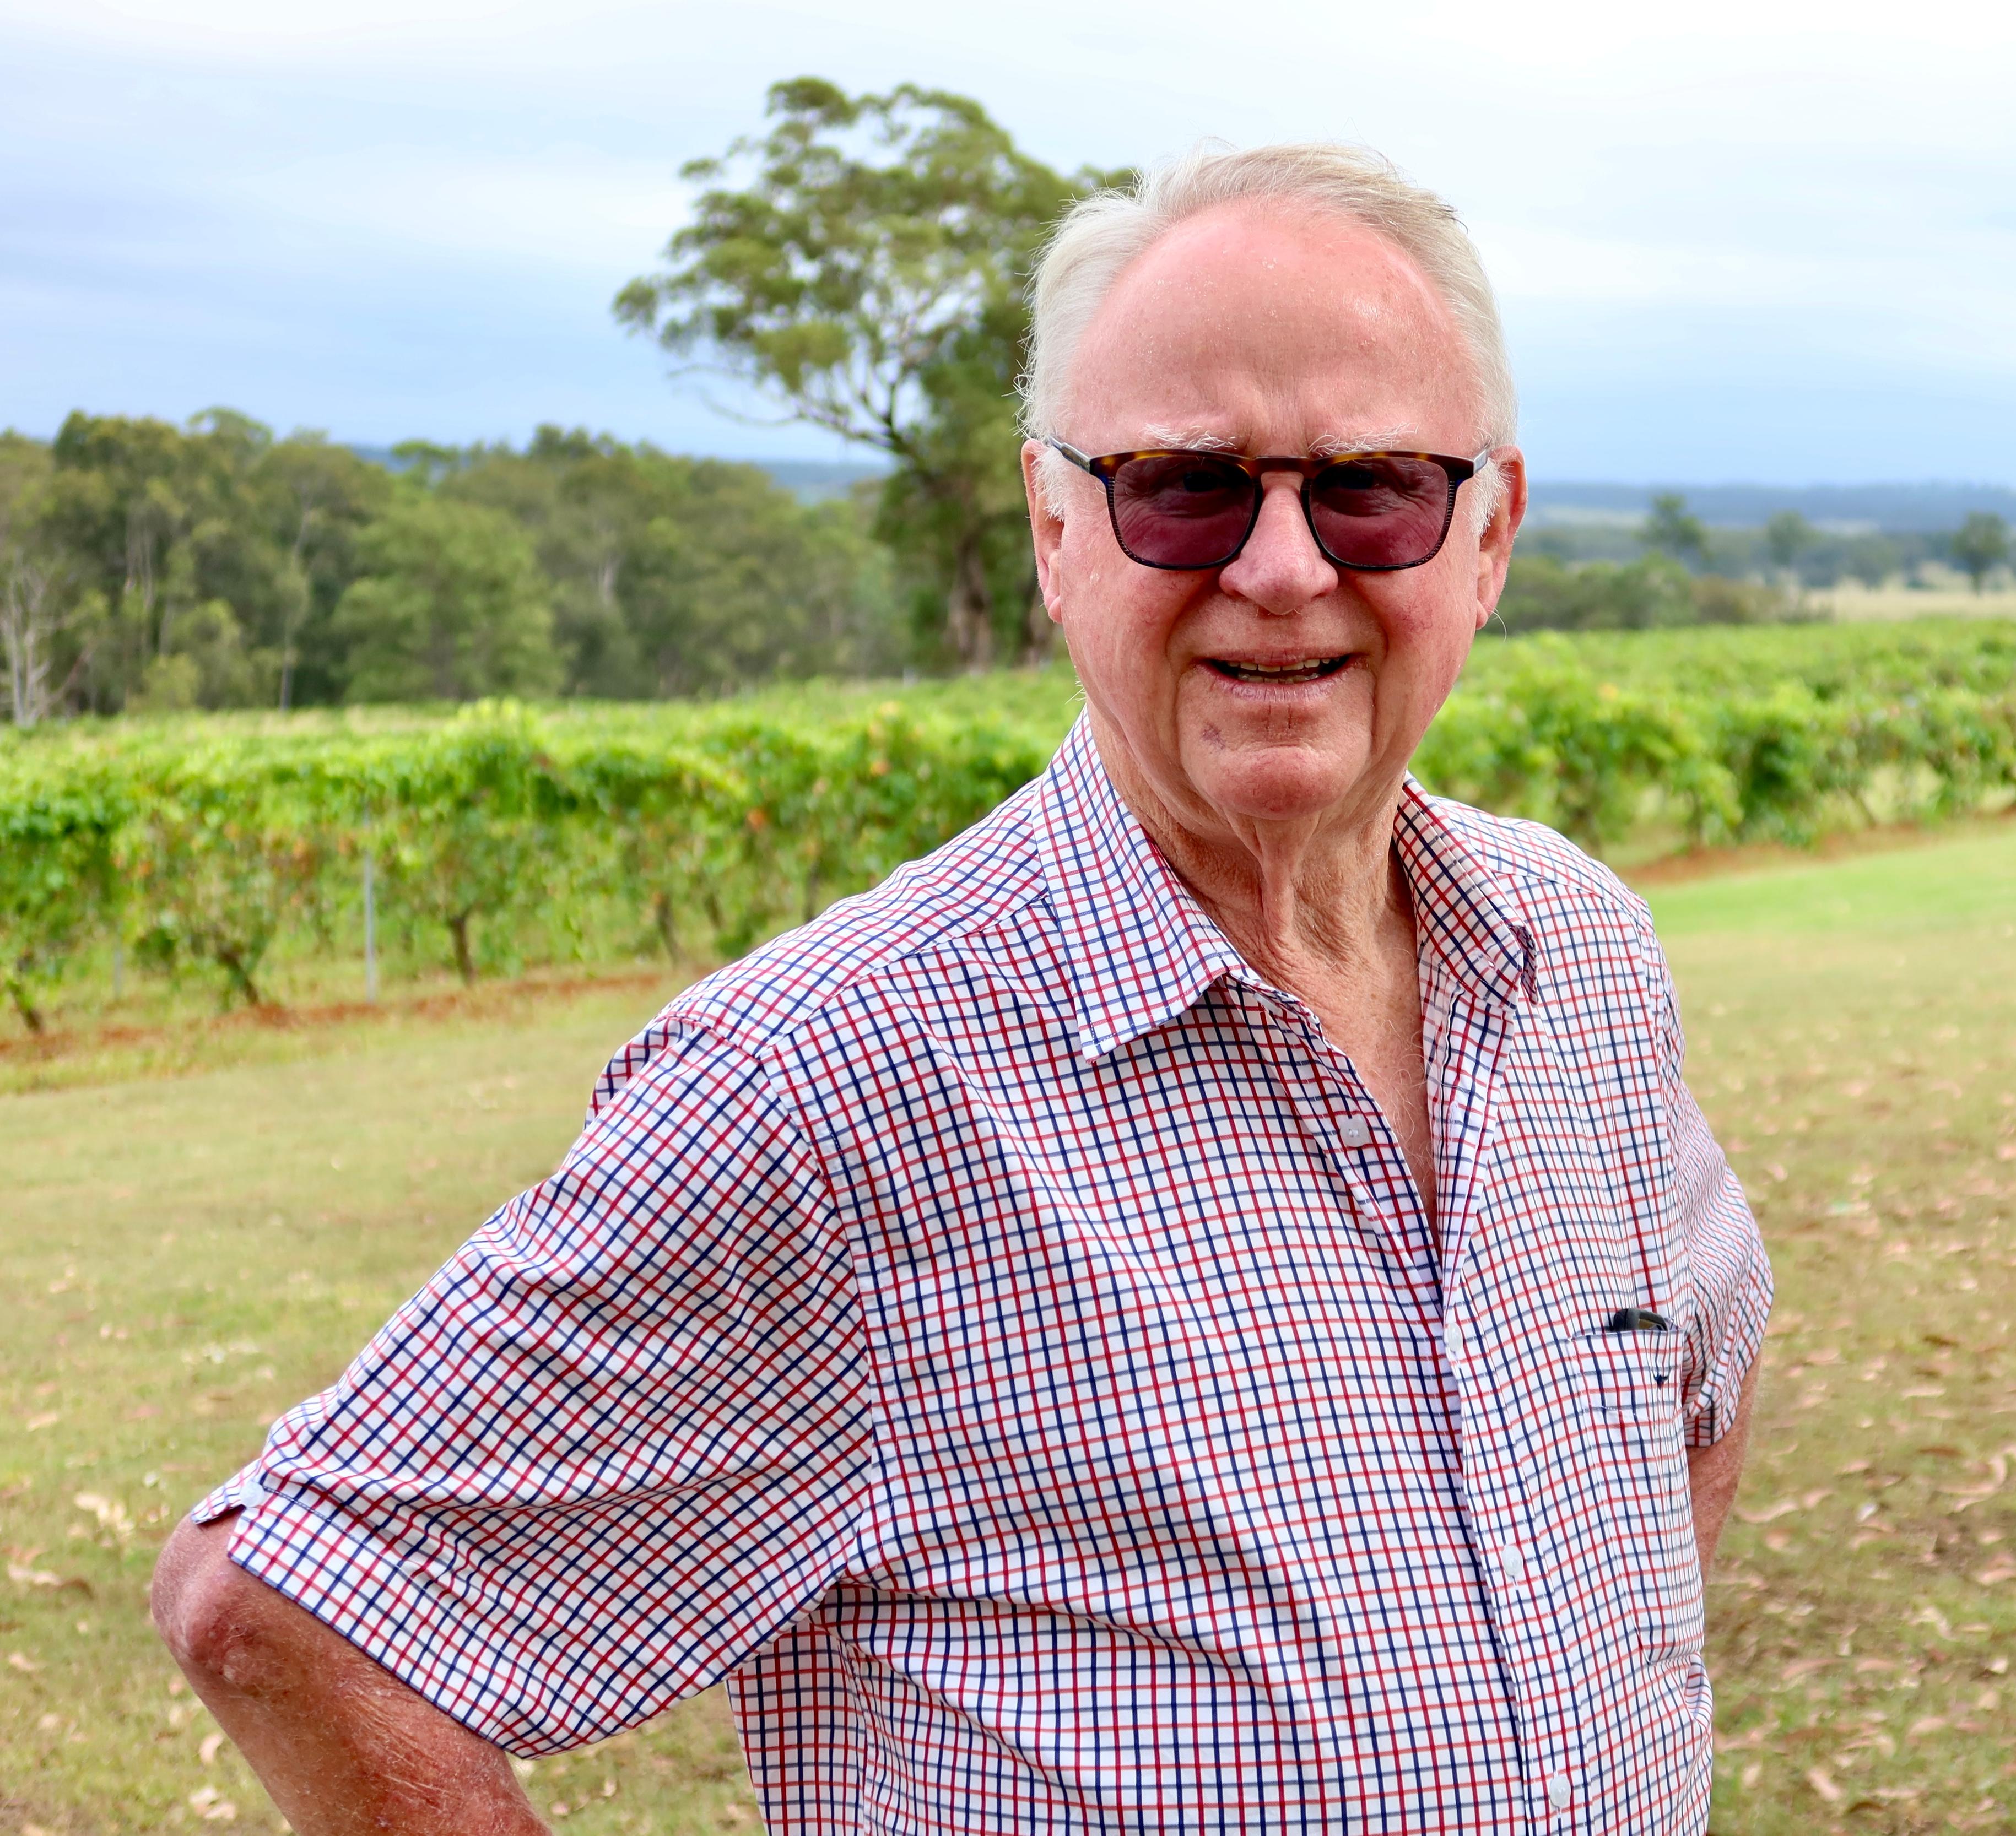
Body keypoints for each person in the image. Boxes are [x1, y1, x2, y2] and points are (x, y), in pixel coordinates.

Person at [154, 142, 1771, 1835]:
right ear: (1057, 529)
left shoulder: (1577, 952)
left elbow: (1701, 1367)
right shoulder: (829, 1077)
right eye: (1184, 486)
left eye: (1371, 486)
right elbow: (289, 1605)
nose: (1284, 569)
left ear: (1491, 533)